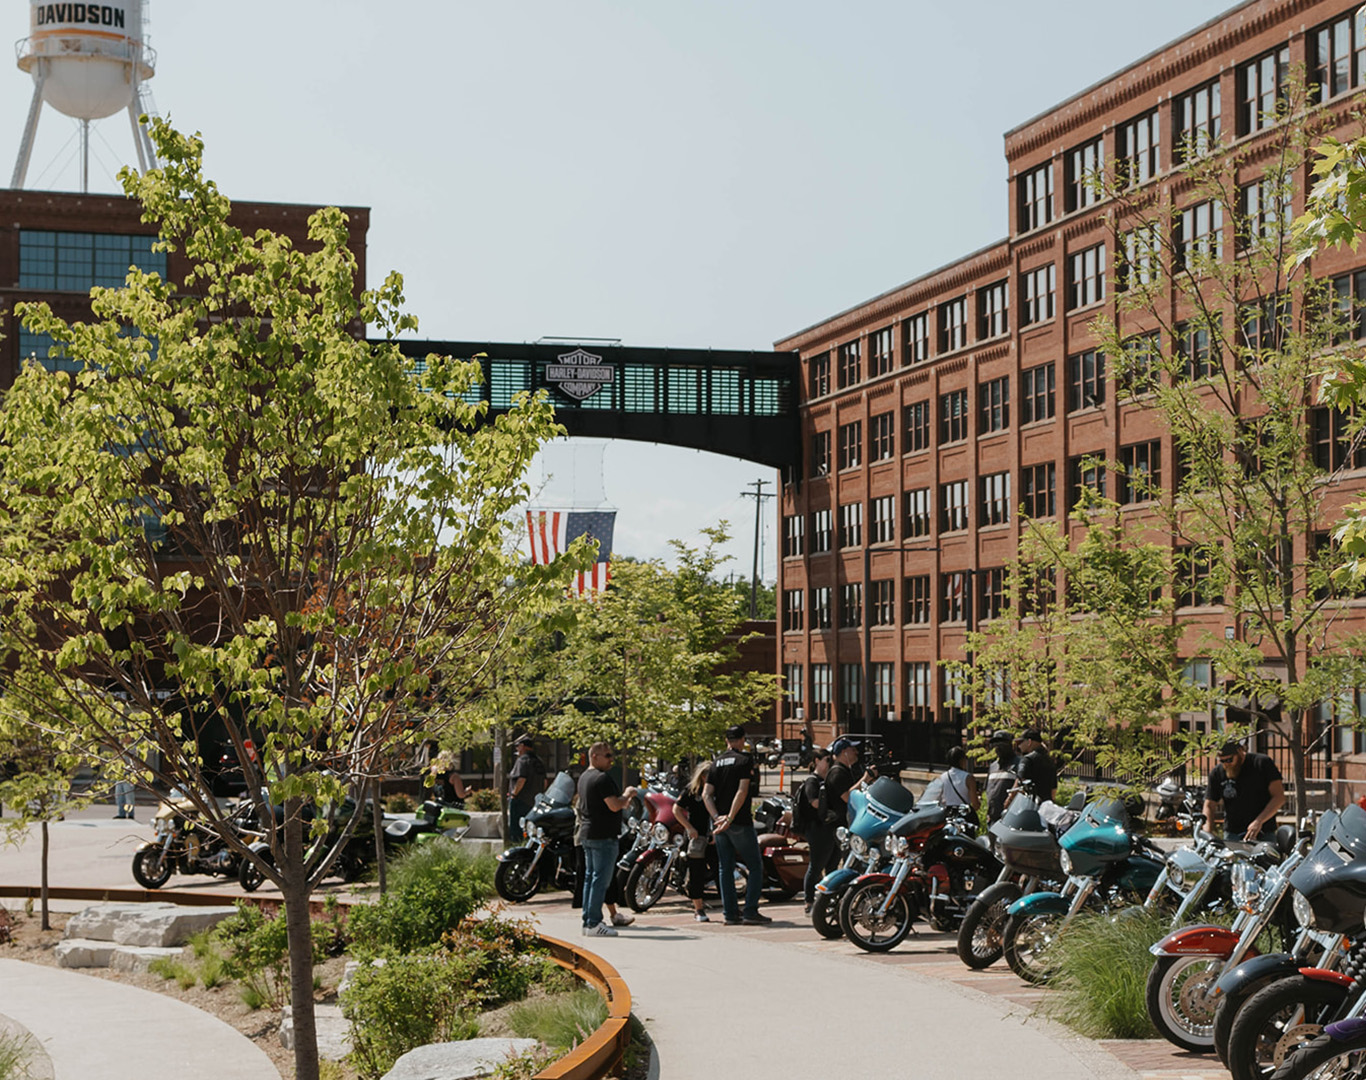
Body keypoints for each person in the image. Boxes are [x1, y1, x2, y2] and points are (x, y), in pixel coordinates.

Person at [704, 724, 770, 926]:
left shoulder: (716, 763)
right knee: (755, 866)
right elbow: (742, 791)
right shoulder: (744, 760)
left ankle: (730, 913)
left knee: (725, 867)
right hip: (739, 821)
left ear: (726, 741)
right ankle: (750, 911)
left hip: (720, 823)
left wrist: (717, 817)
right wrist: (730, 817)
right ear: (742, 740)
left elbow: (706, 794)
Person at [577, 742, 637, 937]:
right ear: (595, 756)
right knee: (599, 880)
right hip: (603, 835)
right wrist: (627, 795)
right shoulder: (601, 778)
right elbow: (614, 805)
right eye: (608, 755)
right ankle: (594, 923)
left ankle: (588, 922)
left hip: (588, 833)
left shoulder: (584, 777)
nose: (612, 759)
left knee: (591, 879)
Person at [1203, 740, 1285, 842]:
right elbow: (1209, 805)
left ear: (1240, 752)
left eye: (1229, 760)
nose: (1226, 764)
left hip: (1263, 832)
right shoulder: (1217, 773)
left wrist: (1259, 821)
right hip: (1232, 834)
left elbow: (1279, 797)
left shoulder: (1262, 763)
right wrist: (1207, 830)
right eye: (1222, 761)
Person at [672, 761, 713, 922]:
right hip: (697, 836)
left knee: (720, 870)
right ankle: (698, 908)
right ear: (702, 777)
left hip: (714, 835)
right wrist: (689, 827)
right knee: (696, 872)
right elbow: (676, 809)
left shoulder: (716, 790)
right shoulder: (692, 791)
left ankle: (730, 906)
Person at [800, 747, 839, 915]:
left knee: (833, 866)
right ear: (817, 761)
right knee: (816, 866)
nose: (829, 764)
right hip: (817, 828)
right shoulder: (812, 781)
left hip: (830, 828)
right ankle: (809, 901)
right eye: (827, 760)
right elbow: (814, 802)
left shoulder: (828, 780)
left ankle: (828, 899)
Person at [508, 734, 547, 840]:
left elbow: (521, 779)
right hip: (534, 802)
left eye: (517, 746)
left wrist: (513, 794)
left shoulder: (522, 761)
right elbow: (545, 782)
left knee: (517, 830)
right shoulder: (539, 761)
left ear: (522, 746)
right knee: (531, 830)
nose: (517, 749)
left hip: (520, 801)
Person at [824, 737, 861, 826]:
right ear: (844, 752)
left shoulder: (844, 770)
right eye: (853, 749)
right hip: (838, 825)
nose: (857, 752)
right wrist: (866, 778)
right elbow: (848, 797)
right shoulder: (837, 773)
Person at [984, 730, 1019, 824]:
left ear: (1010, 745)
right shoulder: (993, 766)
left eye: (1001, 744)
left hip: (1011, 819)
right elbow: (988, 791)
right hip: (993, 820)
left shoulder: (1019, 764)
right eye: (995, 744)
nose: (998, 747)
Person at [1015, 728, 1058, 804]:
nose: (1019, 746)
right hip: (1046, 807)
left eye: (1020, 742)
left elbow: (1018, 785)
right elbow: (1053, 790)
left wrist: (1008, 802)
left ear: (1029, 742)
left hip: (1030, 807)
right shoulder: (1049, 760)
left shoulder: (1027, 759)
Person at [939, 746, 979, 812]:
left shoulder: (942, 777)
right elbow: (975, 805)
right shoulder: (968, 778)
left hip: (947, 814)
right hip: (963, 814)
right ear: (961, 760)